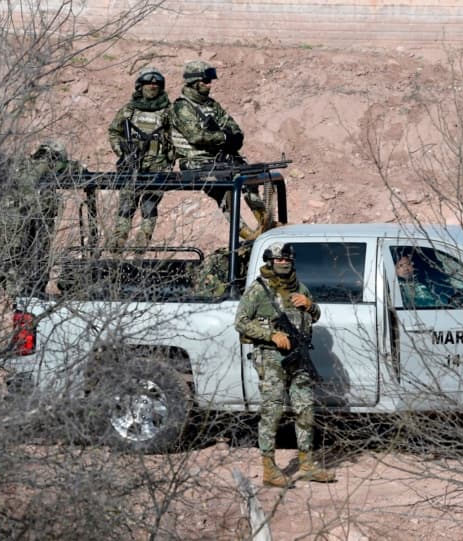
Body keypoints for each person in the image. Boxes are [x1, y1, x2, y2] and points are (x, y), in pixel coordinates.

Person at [234, 243, 335, 487]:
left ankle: (307, 463)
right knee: (273, 412)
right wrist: (271, 336)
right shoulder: (258, 290)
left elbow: (317, 314)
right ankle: (269, 469)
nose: (282, 262)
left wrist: (310, 306)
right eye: (278, 259)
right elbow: (241, 322)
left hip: (298, 357)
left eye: (286, 259)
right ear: (270, 261)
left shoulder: (300, 288)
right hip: (271, 358)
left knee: (305, 409)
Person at [0, 140, 84, 352]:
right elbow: (76, 171)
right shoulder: (50, 170)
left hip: (2, 236)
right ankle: (18, 340)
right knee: (22, 292)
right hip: (20, 239)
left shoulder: (17, 168)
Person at [170, 60, 271, 241]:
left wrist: (232, 139)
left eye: (210, 81)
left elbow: (233, 128)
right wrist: (224, 138)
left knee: (249, 178)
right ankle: (248, 234)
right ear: (194, 82)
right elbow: (196, 137)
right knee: (226, 193)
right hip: (196, 163)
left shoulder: (211, 105)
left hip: (219, 160)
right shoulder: (182, 107)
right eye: (206, 81)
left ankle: (265, 225)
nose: (210, 84)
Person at [107, 67, 172, 251]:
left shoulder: (168, 111)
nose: (152, 86)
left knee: (149, 203)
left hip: (157, 166)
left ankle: (144, 237)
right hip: (132, 164)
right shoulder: (129, 111)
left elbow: (177, 137)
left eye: (156, 83)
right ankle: (119, 237)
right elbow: (114, 132)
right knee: (127, 203)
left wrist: (170, 157)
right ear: (140, 86)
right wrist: (122, 150)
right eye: (148, 82)